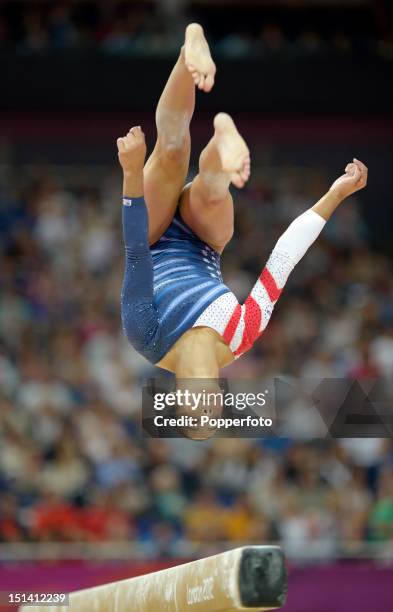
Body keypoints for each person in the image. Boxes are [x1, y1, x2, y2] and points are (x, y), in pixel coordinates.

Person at [117, 24, 368, 439]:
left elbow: (136, 255)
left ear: (179, 397)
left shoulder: (146, 337)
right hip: (204, 242)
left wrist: (130, 174)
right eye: (212, 410)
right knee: (214, 189)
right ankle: (223, 139)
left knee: (172, 151)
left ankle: (187, 53)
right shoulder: (240, 335)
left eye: (195, 411)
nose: (205, 403)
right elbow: (282, 261)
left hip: (152, 235)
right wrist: (334, 195)